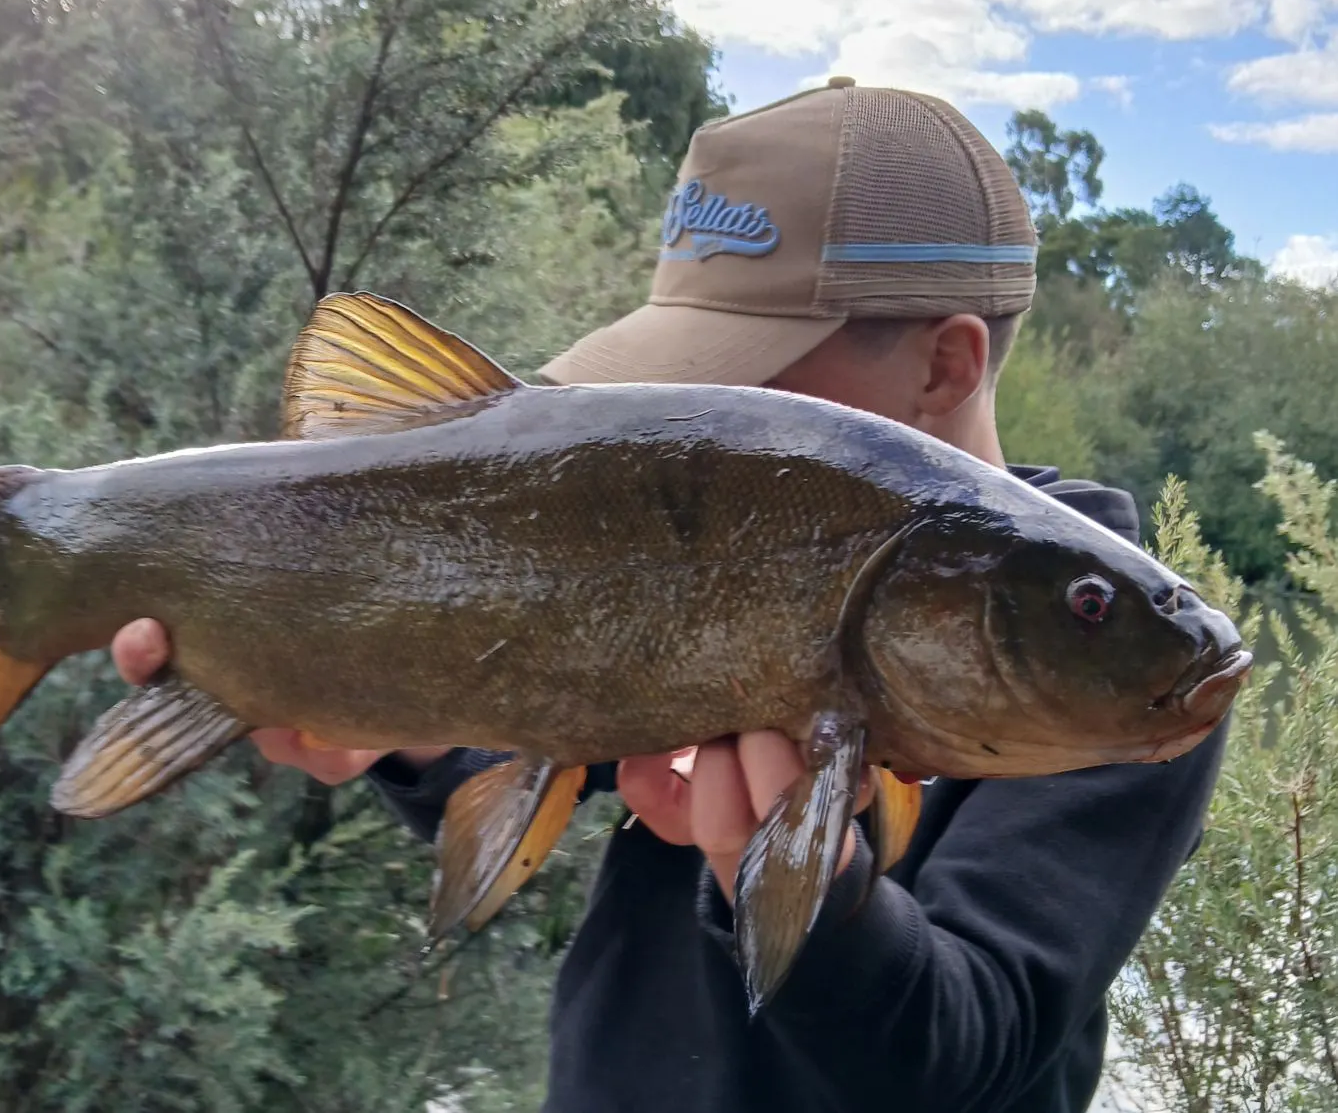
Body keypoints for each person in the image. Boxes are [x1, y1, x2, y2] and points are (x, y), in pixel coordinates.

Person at [111, 75, 1230, 1113]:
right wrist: (390, 730)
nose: (685, 420)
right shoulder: (706, 527)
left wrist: (800, 889)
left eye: (749, 380)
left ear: (944, 365)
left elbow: (973, 1044)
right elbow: (533, 736)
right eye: (678, 369)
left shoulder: (1121, 674)